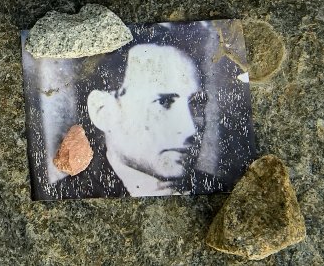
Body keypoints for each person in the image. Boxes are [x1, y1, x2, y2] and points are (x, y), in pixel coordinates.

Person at [56, 43, 221, 199]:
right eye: (163, 103)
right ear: (103, 111)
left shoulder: (219, 189)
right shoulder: (64, 198)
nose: (190, 130)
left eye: (196, 105)